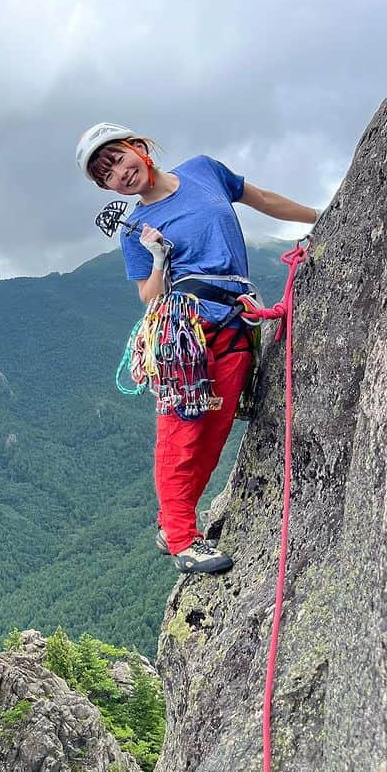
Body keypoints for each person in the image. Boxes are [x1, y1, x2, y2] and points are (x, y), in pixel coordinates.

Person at [75, 122, 318, 573]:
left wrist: (321, 218)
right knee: (181, 427)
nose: (119, 174)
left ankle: (173, 525)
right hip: (184, 327)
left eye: (118, 158)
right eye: (105, 174)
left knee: (214, 427)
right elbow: (149, 296)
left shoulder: (205, 172)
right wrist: (160, 257)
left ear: (140, 147)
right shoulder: (136, 232)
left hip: (235, 318)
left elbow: (260, 199)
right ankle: (183, 539)